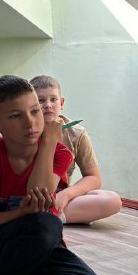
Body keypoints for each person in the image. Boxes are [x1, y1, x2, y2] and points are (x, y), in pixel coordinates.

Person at [0, 75, 115, 275]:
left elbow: (40, 196)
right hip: (0, 244)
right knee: (47, 222)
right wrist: (22, 212)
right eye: (15, 116)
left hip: (47, 245)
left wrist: (48, 143)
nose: (30, 123)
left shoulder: (59, 153)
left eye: (35, 111)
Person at [29, 75, 121, 224]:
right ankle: (49, 217)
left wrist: (66, 195)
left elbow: (93, 177)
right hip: (28, 197)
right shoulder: (24, 131)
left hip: (59, 198)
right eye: (41, 100)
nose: (48, 105)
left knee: (112, 200)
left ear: (62, 103)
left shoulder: (76, 133)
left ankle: (52, 216)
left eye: (53, 99)